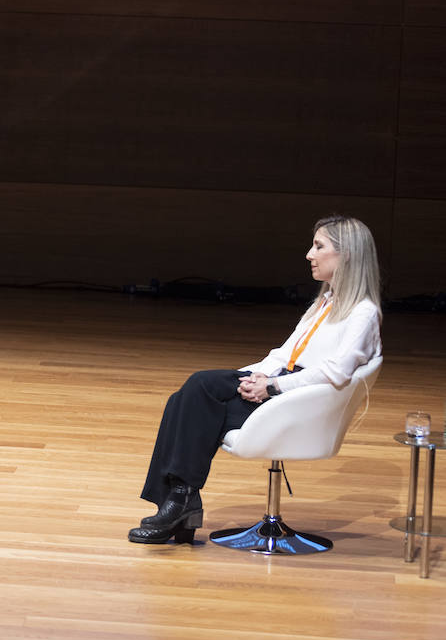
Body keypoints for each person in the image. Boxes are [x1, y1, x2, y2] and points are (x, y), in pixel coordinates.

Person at [129, 215, 382, 544]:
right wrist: (255, 375)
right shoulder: (326, 301)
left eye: (319, 246)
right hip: (282, 387)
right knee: (189, 394)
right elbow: (284, 353)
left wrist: (273, 386)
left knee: (195, 397)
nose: (309, 254)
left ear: (346, 254)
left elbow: (336, 373)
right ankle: (179, 503)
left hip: (300, 403)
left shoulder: (363, 312)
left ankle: (179, 504)